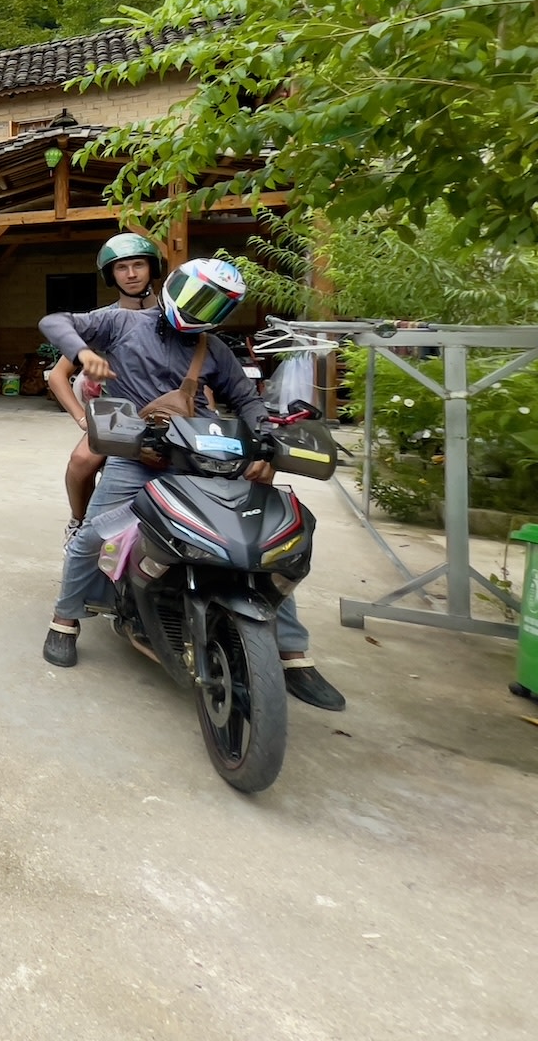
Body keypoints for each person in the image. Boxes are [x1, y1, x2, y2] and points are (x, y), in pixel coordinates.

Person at [38, 257, 346, 711]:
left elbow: (245, 399)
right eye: (197, 295)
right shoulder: (120, 322)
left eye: (214, 304)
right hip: (136, 453)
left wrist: (265, 444)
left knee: (255, 546)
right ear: (176, 287)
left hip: (201, 453)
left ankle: (293, 654)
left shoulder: (214, 349)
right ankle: (65, 620)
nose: (200, 308)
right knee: (91, 536)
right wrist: (84, 353)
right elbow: (54, 320)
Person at [47, 234, 163, 538]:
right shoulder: (105, 321)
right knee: (81, 460)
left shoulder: (173, 316)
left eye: (139, 265)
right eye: (122, 267)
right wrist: (83, 420)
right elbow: (57, 376)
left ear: (152, 268)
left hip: (173, 415)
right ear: (111, 275)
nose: (132, 274)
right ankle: (78, 521)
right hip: (121, 420)